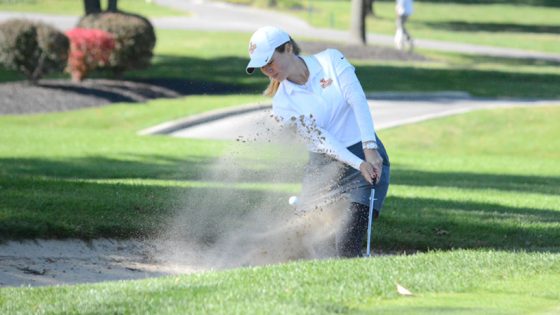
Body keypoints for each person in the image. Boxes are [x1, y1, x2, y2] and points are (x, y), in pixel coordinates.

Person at [245, 26, 390, 258]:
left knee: (345, 248)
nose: (267, 70)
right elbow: (321, 139)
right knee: (312, 246)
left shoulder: (331, 60)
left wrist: (369, 150)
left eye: (269, 61)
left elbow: (357, 99)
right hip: (323, 168)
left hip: (365, 157)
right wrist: (358, 162)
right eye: (262, 66)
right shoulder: (282, 105)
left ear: (288, 48)